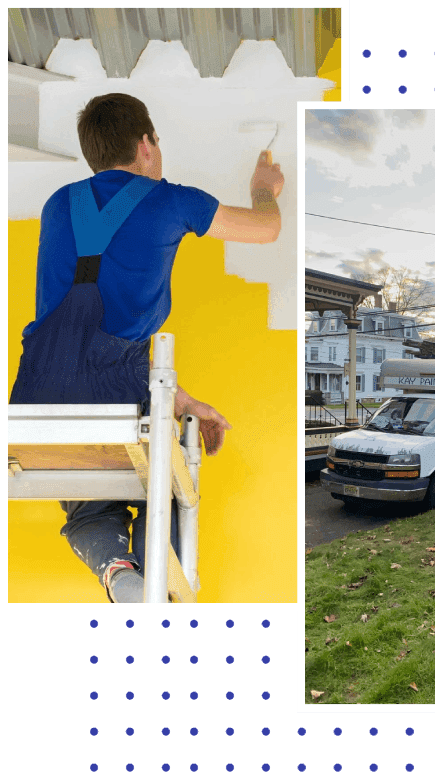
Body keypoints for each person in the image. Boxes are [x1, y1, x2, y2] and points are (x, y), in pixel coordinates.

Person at [9, 93, 285, 603]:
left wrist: (186, 401)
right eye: (156, 141)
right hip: (113, 390)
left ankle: (121, 575)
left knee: (93, 507)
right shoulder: (172, 200)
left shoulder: (57, 204)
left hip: (37, 394)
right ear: (146, 144)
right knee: (175, 489)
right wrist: (265, 190)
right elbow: (266, 229)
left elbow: (91, 347)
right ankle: (163, 590)